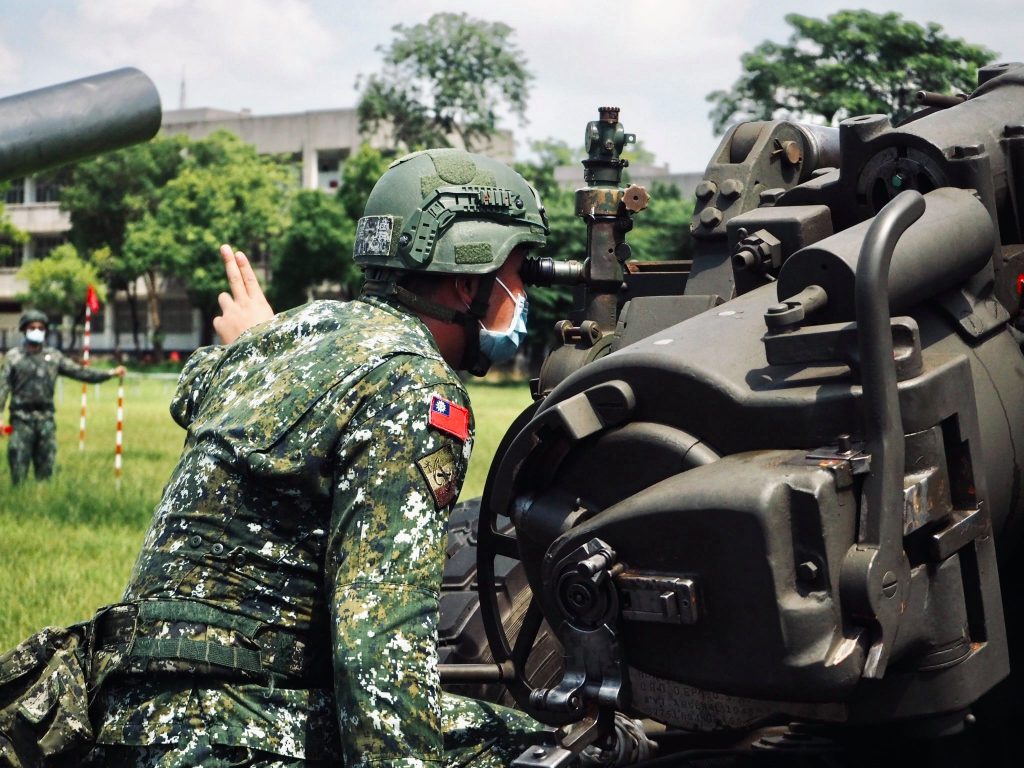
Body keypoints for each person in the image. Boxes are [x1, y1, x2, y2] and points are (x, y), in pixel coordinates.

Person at [81, 148, 550, 767]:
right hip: (229, 731)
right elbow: (378, 647)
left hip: (130, 716)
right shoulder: (413, 385)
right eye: (517, 275)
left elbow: (199, 385)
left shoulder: (290, 338)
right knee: (544, 748)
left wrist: (260, 340)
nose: (522, 297)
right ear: (469, 280)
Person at [0, 309, 126, 484]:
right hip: (21, 420)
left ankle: (42, 502)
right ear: (24, 329)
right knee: (18, 470)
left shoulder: (53, 357)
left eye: (40, 328)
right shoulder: (13, 357)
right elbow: (3, 388)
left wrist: (111, 373)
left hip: (46, 420)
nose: (36, 330)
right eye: (32, 327)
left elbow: (81, 373)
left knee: (46, 472)